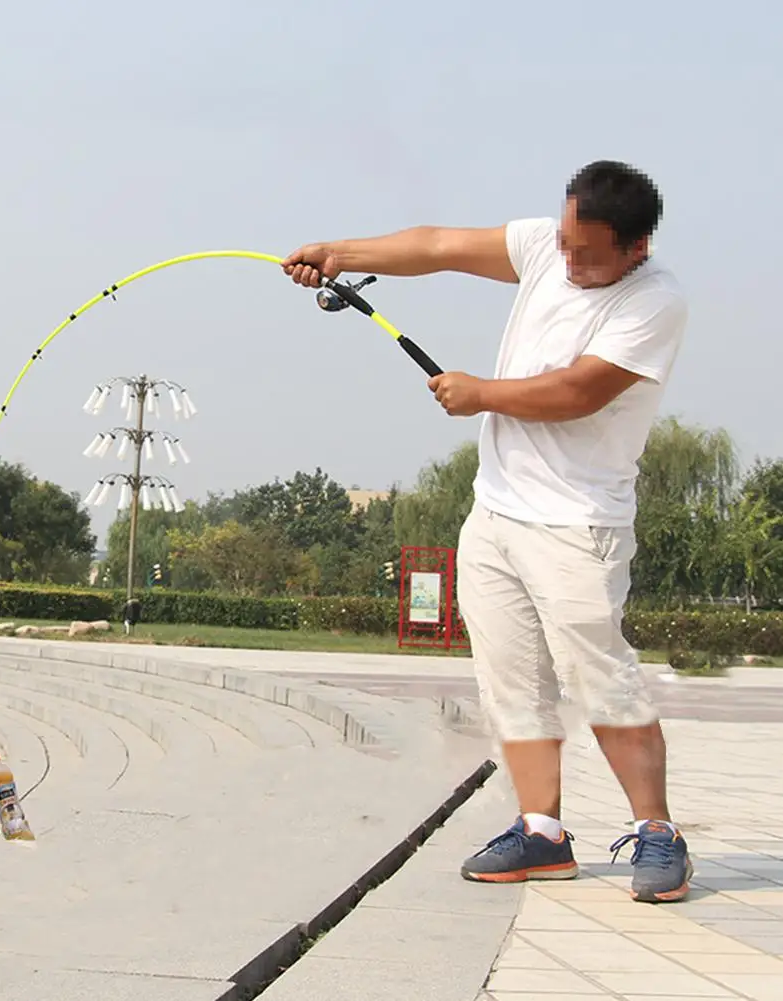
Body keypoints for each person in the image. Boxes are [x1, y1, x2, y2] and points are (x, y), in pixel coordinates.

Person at [282, 160, 691, 903]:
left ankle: (657, 834)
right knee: (511, 684)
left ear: (634, 247)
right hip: (496, 515)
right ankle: (541, 831)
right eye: (563, 241)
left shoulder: (653, 301)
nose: (566, 261)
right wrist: (341, 253)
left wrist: (480, 395)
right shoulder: (544, 246)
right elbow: (436, 244)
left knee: (602, 681)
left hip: (577, 526)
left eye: (585, 252)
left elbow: (577, 391)